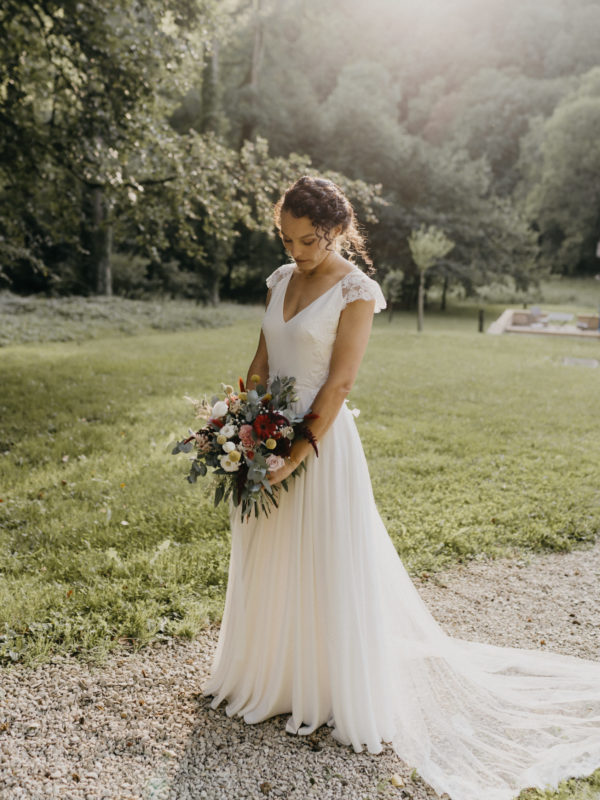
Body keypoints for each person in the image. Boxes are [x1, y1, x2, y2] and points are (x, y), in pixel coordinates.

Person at [201, 176, 600, 800]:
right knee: (268, 554)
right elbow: (261, 362)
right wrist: (238, 430)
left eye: (308, 240)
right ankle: (269, 677)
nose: (297, 250)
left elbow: (337, 385)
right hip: (266, 435)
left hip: (320, 444)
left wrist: (296, 454)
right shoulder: (281, 279)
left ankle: (326, 688)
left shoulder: (357, 291)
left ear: (335, 232)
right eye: (286, 238)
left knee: (324, 563)